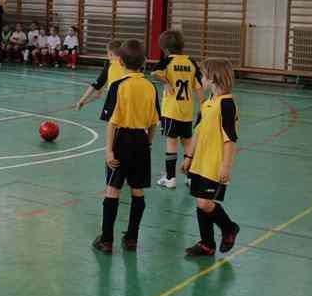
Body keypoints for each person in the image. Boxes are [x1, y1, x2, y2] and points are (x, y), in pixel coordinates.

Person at [93, 40, 160, 254]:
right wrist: (148, 143)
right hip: (141, 141)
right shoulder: (151, 87)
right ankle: (132, 238)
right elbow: (154, 122)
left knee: (113, 189)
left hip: (121, 140)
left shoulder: (118, 86)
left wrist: (109, 150)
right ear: (144, 62)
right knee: (137, 190)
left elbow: (112, 122)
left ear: (120, 61)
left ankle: (106, 240)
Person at [181, 58, 240, 257]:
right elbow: (197, 132)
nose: (200, 79)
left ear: (213, 78)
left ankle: (229, 228)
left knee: (204, 203)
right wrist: (189, 156)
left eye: (203, 75)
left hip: (215, 163)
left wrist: (226, 166)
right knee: (200, 200)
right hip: (200, 162)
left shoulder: (227, 104)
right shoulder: (207, 103)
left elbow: (230, 139)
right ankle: (207, 244)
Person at [151, 30, 205, 189]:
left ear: (164, 49)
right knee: (188, 143)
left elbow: (154, 73)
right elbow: (199, 87)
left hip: (171, 111)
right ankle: (191, 177)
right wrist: (204, 106)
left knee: (171, 142)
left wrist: (166, 82)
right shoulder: (191, 62)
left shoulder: (168, 61)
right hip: (187, 111)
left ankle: (170, 178)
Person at [74, 39, 125, 111]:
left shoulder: (110, 66)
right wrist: (102, 89)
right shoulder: (129, 64)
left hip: (114, 102)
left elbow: (96, 85)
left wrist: (81, 101)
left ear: (110, 53)